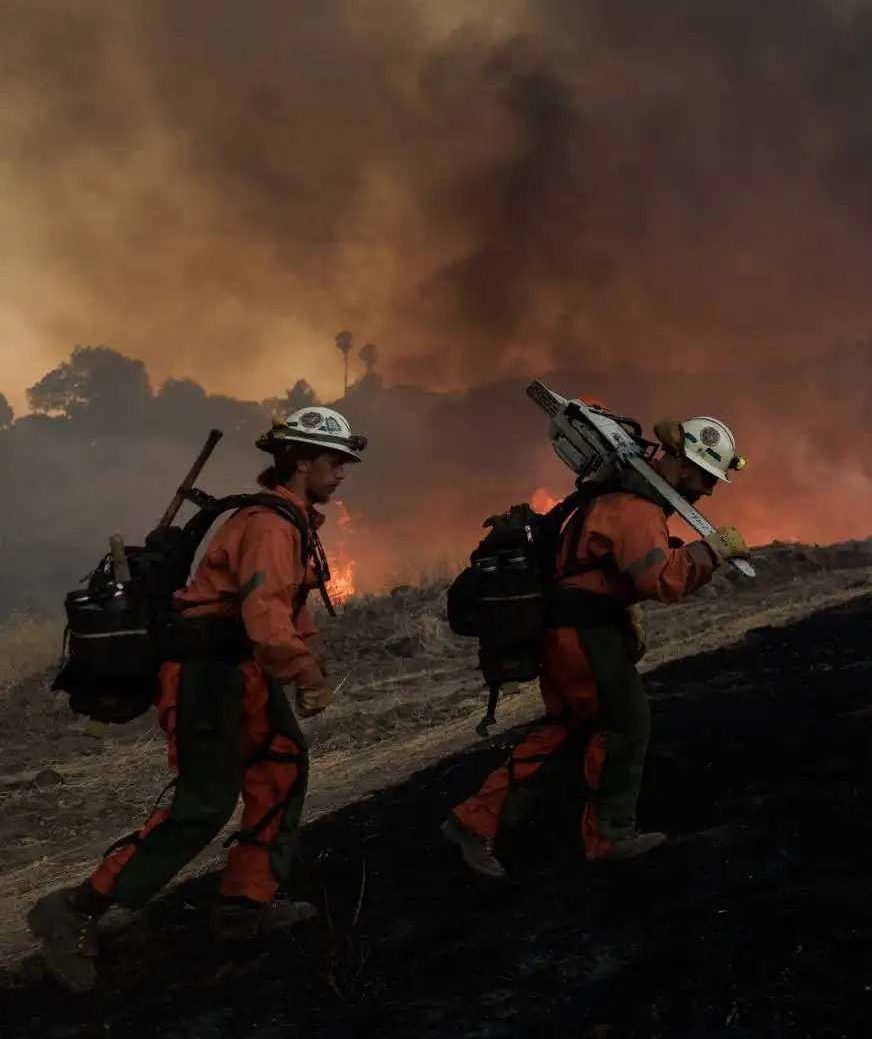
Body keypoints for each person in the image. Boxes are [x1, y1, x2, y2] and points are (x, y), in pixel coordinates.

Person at [29, 407, 366, 993]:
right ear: (301, 461)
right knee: (203, 805)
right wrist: (303, 672)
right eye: (334, 462)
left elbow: (283, 606)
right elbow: (264, 613)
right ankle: (76, 908)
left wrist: (305, 659)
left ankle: (245, 902)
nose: (342, 474)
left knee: (281, 766)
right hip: (207, 678)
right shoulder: (269, 525)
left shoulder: (289, 521)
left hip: (238, 671)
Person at [441, 415, 750, 877]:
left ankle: (474, 821)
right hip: (582, 635)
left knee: (567, 729)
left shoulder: (619, 495)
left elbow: (605, 573)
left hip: (571, 629)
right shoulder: (636, 508)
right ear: (684, 466)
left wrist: (625, 611)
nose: (707, 490)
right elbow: (660, 578)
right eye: (706, 477)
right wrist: (710, 552)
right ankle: (609, 835)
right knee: (626, 721)